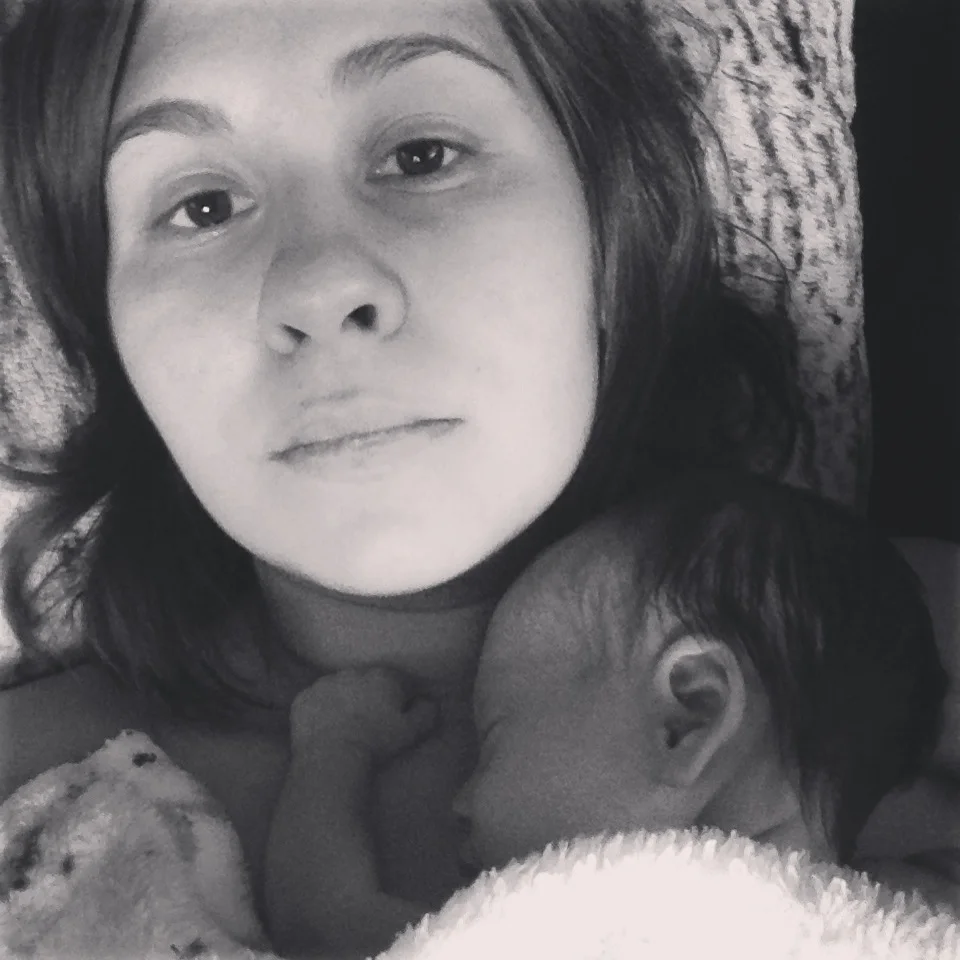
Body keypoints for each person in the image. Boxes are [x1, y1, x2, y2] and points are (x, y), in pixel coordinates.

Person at [0, 1, 956, 958]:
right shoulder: (25, 787)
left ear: (611, 220)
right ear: (111, 328)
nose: (320, 287)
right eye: (202, 207)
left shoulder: (914, 662)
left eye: (422, 156)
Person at [264, 469, 949, 956]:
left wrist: (334, 746)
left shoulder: (563, 928)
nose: (459, 800)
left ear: (685, 720)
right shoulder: (906, 911)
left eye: (495, 739)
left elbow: (321, 921)